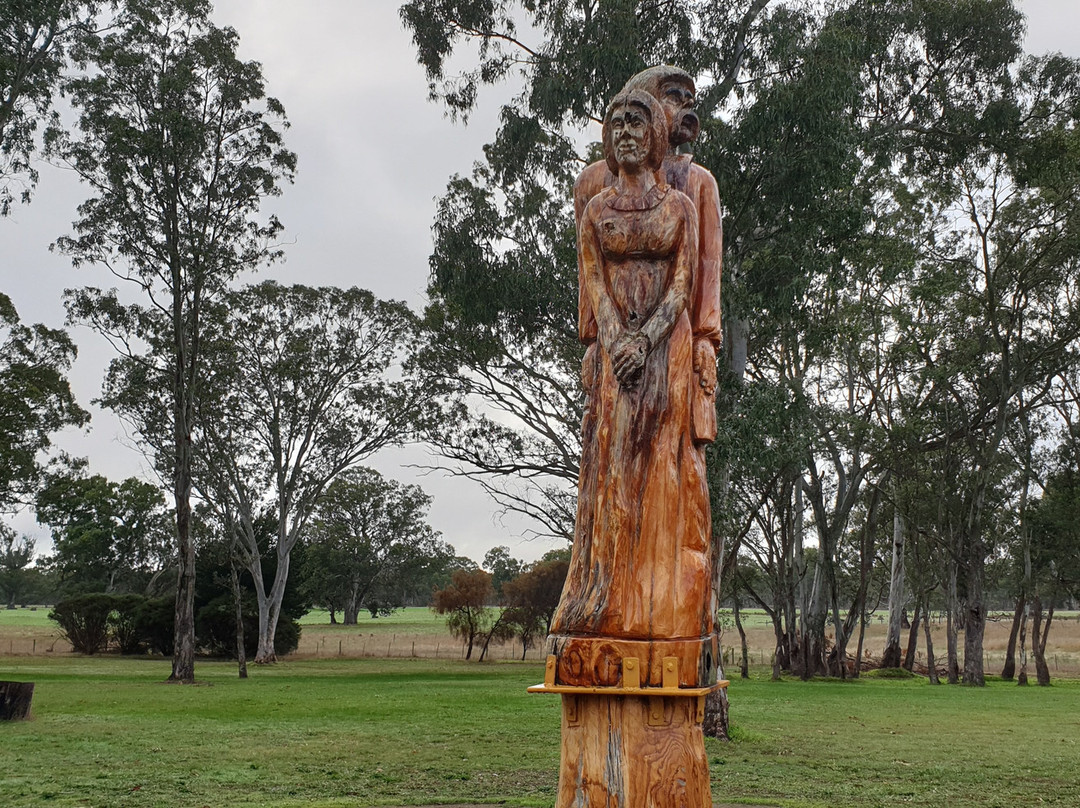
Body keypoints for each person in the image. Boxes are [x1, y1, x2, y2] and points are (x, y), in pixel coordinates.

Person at [548, 88, 713, 687]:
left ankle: (661, 605)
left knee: (664, 470)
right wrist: (617, 338)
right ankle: (609, 598)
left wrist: (646, 340)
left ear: (656, 135)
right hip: (616, 356)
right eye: (615, 122)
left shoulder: (681, 205)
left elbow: (684, 283)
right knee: (614, 469)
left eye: (636, 122)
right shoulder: (596, 210)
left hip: (666, 351)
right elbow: (592, 282)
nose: (624, 132)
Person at [574, 65, 722, 443]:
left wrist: (706, 339)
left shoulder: (697, 183)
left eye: (689, 99)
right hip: (613, 335)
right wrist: (593, 338)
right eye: (674, 96)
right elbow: (589, 275)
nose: (686, 107)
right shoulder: (594, 186)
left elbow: (705, 268)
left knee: (671, 445)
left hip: (671, 335)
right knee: (609, 440)